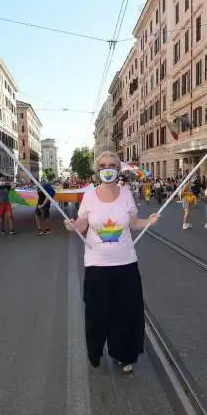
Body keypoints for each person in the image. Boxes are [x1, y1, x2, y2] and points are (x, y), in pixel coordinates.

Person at [63, 151, 159, 374]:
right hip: (97, 264)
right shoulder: (89, 196)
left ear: (118, 169)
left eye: (112, 165)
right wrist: (73, 225)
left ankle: (124, 353)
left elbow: (133, 223)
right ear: (97, 170)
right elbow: (82, 224)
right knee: (98, 312)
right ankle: (96, 351)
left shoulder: (126, 194)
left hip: (126, 262)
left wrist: (149, 222)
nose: (108, 168)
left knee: (127, 312)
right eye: (103, 165)